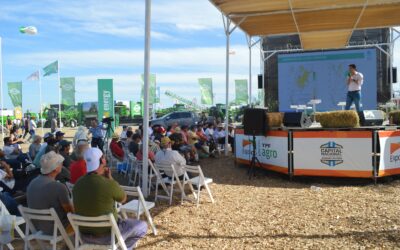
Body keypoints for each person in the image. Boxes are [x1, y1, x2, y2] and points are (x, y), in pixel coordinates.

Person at [73, 148, 147, 248]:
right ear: (102, 161)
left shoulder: (77, 184)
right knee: (142, 226)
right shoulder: (108, 184)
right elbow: (123, 199)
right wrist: (111, 179)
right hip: (109, 236)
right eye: (103, 157)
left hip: (83, 236)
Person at [26, 151, 74, 235]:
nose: (62, 164)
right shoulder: (58, 186)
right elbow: (70, 212)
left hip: (38, 228)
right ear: (55, 169)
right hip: (56, 229)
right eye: (60, 163)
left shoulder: (32, 182)